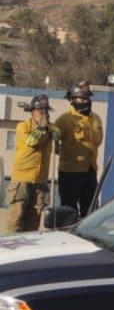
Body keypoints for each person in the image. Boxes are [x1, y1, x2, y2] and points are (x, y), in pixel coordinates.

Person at [7, 95, 61, 232]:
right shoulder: (23, 127)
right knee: (16, 220)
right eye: (40, 111)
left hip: (40, 182)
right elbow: (31, 142)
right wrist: (42, 128)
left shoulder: (50, 129)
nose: (44, 114)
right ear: (32, 112)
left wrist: (51, 130)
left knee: (33, 222)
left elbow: (58, 142)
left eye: (46, 111)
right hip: (22, 181)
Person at [54, 81, 103, 219]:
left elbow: (97, 141)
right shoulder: (64, 120)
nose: (86, 101)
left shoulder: (96, 119)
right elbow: (52, 139)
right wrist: (60, 150)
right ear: (73, 100)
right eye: (82, 98)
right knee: (69, 212)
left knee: (91, 212)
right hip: (70, 173)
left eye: (88, 98)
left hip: (90, 171)